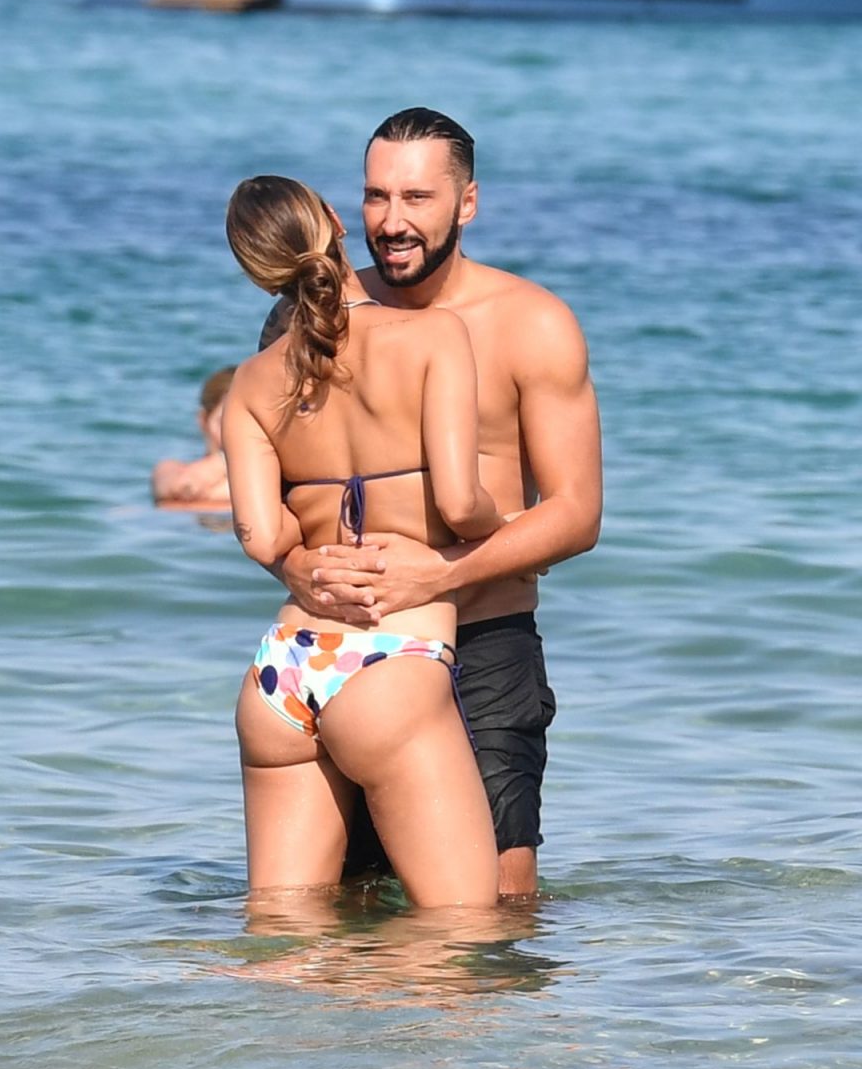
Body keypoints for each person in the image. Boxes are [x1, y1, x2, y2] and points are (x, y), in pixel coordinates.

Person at [262, 109, 603, 898]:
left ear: (467, 202)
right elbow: (273, 494)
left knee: (498, 906)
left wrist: (440, 575)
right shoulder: (313, 317)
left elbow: (577, 512)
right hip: (341, 644)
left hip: (482, 647)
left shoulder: (529, 323)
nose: (392, 221)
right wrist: (295, 567)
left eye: (417, 197)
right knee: (335, 908)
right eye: (376, 196)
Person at [222, 174, 504, 909]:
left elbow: (262, 534)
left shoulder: (248, 385)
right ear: (336, 223)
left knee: (284, 935)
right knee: (459, 933)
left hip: (285, 669)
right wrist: (502, 532)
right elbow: (459, 500)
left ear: (257, 271)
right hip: (392, 657)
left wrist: (305, 551)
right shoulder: (435, 335)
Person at [151, 366, 236, 511]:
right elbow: (186, 485)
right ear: (203, 419)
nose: (235, 434)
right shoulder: (171, 469)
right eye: (225, 422)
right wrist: (227, 460)